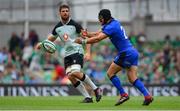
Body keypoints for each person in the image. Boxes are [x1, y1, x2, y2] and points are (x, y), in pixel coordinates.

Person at [75, 9, 153, 106]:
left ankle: (123, 94)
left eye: (100, 18)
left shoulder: (111, 27)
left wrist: (83, 41)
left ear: (104, 18)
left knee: (110, 73)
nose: (99, 20)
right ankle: (147, 96)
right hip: (133, 52)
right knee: (132, 78)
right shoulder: (113, 23)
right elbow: (97, 34)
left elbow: (98, 38)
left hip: (125, 53)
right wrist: (87, 34)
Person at [36, 4, 102, 103]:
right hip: (67, 54)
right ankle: (88, 97)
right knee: (70, 76)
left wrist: (88, 52)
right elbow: (51, 39)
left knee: (75, 72)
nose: (65, 12)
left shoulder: (75, 24)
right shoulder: (57, 27)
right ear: (60, 13)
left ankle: (96, 89)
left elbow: (87, 38)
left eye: (67, 11)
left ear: (69, 12)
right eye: (63, 11)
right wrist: (42, 43)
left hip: (77, 51)